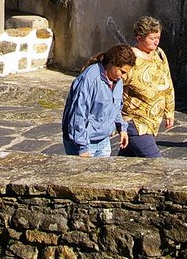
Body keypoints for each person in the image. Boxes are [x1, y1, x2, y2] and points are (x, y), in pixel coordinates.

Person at [62, 44, 136, 157]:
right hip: (85, 143)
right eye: (122, 71)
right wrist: (82, 148)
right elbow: (78, 115)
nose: (123, 77)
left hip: (103, 141)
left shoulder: (117, 81)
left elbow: (116, 107)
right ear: (112, 64)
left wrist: (122, 128)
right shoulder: (89, 79)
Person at [119, 16, 175, 159]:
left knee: (124, 165)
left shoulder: (159, 54)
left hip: (152, 122)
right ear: (139, 38)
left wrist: (169, 111)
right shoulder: (130, 58)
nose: (156, 41)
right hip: (136, 122)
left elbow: (167, 82)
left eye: (158, 37)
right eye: (152, 38)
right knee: (156, 163)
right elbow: (116, 85)